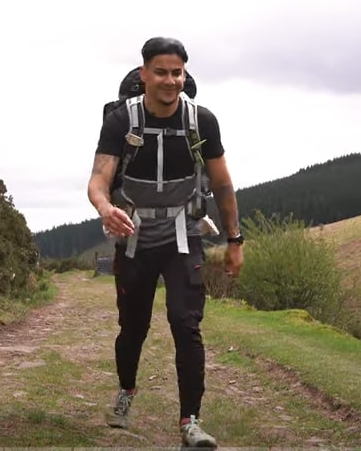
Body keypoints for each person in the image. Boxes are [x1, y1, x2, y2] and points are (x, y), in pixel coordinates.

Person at [87, 36, 244, 448]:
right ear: (144, 75)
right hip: (134, 236)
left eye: (177, 72)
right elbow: (99, 180)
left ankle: (190, 422)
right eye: (161, 71)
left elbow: (224, 184)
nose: (170, 80)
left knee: (185, 322)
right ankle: (126, 391)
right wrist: (106, 209)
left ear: (185, 74)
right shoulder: (122, 120)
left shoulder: (201, 122)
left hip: (182, 234)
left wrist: (235, 239)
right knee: (132, 327)